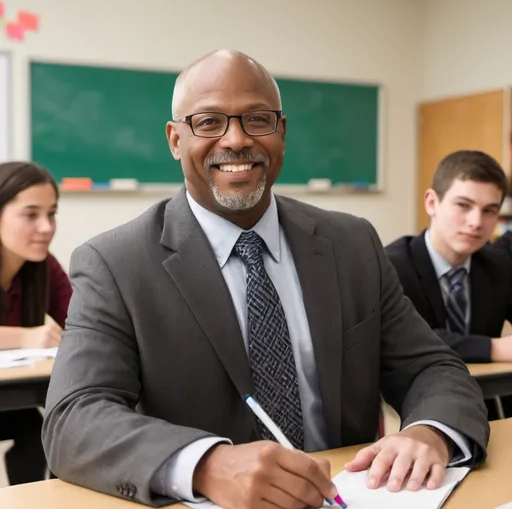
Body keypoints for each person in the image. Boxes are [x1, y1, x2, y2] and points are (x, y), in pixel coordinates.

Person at [42, 50, 489, 509]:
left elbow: (432, 368)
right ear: (175, 140)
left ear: (282, 132)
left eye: (257, 119)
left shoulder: (351, 243)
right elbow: (74, 419)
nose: (235, 140)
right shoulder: (114, 263)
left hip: (347, 497)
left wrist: (429, 432)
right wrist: (206, 465)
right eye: (209, 122)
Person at [386, 151, 512, 364]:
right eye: (463, 205)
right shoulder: (391, 266)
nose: (476, 222)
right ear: (431, 203)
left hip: (485, 392)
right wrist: (493, 348)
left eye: (489, 211)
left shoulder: (498, 265)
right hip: (414, 394)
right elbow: (403, 337)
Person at [0, 161, 72, 485]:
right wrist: (26, 337)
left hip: (15, 399)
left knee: (48, 432)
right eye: (31, 215)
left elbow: (82, 323)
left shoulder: (44, 266)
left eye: (51, 213)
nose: (46, 227)